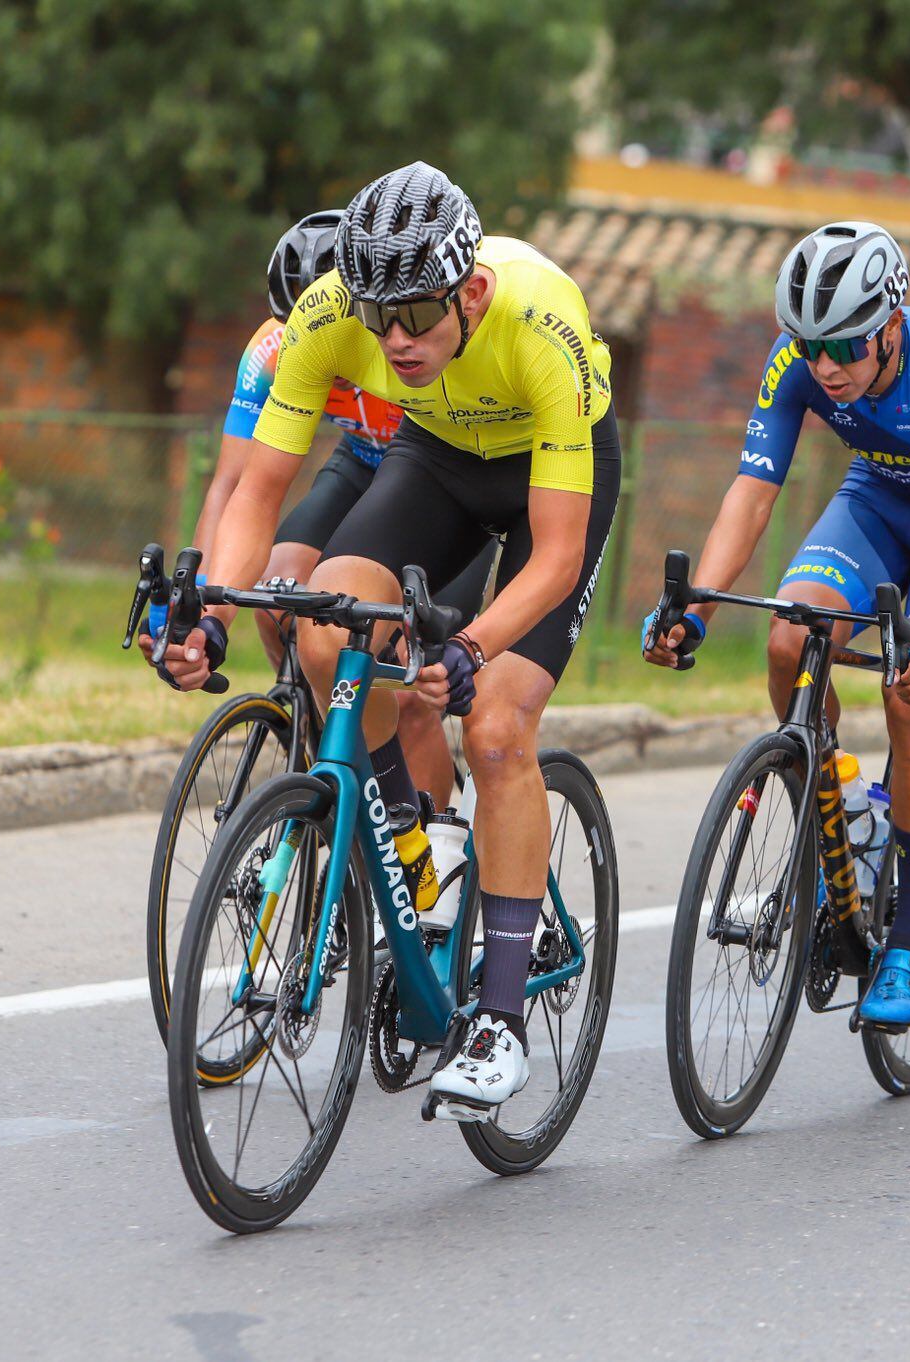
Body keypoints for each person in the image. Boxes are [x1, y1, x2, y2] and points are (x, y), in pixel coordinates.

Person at [155, 162, 620, 1113]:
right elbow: (257, 491)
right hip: (439, 458)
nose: (396, 341)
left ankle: (498, 1021)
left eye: (417, 317)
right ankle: (416, 847)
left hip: (550, 474)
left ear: (472, 291)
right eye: (379, 319)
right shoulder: (331, 315)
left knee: (494, 728)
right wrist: (211, 611)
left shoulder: (542, 319)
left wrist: (472, 647)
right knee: (323, 626)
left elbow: (556, 559)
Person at [641, 221, 910, 1029]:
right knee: (792, 639)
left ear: (892, 325)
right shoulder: (801, 364)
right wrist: (695, 609)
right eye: (810, 344)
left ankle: (909, 943)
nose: (827, 367)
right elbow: (753, 493)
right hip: (879, 496)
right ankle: (847, 801)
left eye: (848, 346)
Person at [150, 210, 492, 810]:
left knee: (413, 689)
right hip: (361, 464)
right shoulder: (274, 350)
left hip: (436, 477)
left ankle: (433, 845)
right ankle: (329, 773)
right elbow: (233, 487)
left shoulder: (403, 345)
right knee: (277, 590)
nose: (312, 344)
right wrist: (205, 601)